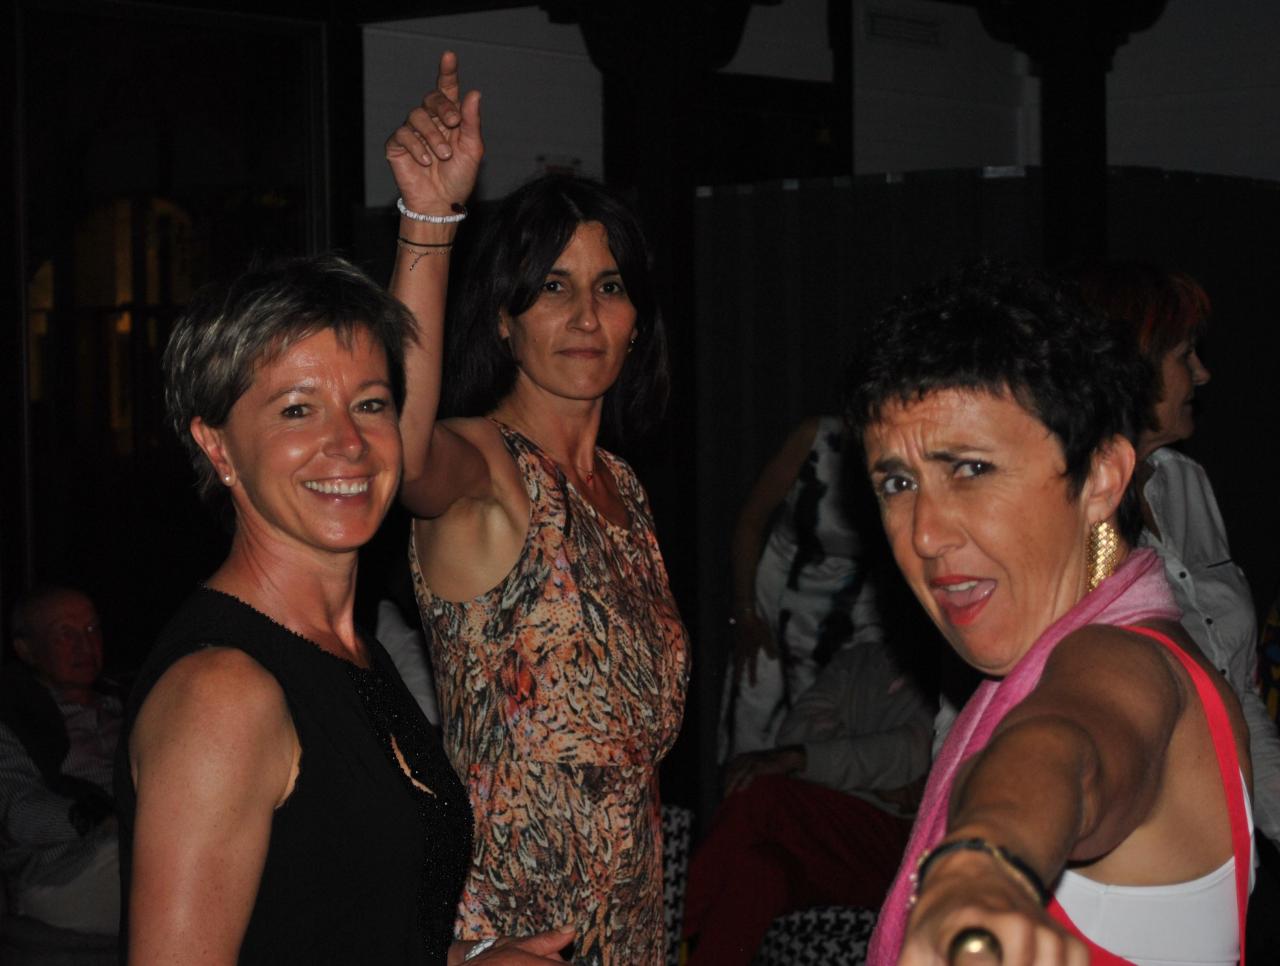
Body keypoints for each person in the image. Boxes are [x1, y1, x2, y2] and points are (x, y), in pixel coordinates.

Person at [115, 254, 571, 964]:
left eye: (370, 404)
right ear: (217, 445)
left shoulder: (348, 650)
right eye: (298, 409)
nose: (349, 443)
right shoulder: (222, 694)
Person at [844, 263, 1253, 965]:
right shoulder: (1055, 651)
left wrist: (981, 869)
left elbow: (1064, 748)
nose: (924, 534)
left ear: (1101, 478)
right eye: (899, 482)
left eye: (971, 469)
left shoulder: (1124, 659)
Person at [385, 52, 689, 965]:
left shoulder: (625, 491)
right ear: (504, 318)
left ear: (636, 321)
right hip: (505, 936)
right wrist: (428, 221)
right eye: (554, 287)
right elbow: (398, 456)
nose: (587, 315)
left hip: (629, 930)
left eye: (609, 286)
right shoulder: (483, 464)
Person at [1078, 261, 1280, 845]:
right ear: (1129, 368)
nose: (1203, 373)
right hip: (1125, 851)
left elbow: (1235, 690)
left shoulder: (1186, 483)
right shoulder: (1064, 512)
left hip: (1217, 849)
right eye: (1184, 355)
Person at [685, 636, 934, 965]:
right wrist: (865, 775)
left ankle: (662, 930)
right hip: (832, 835)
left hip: (901, 851)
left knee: (763, 794)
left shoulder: (947, 671)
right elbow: (795, 732)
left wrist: (815, 762)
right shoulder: (861, 659)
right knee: (761, 870)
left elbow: (911, 753)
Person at [723, 415, 883, 757]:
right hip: (779, 602)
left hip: (859, 612)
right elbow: (751, 520)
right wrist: (745, 611)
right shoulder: (817, 439)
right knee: (758, 725)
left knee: (845, 731)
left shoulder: (900, 447)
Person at [1, 586, 120, 935]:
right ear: (27, 650)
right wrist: (99, 819)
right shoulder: (14, 719)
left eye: (92, 629)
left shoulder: (126, 703)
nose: (85, 645)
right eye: (65, 634)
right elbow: (18, 810)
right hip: (63, 870)